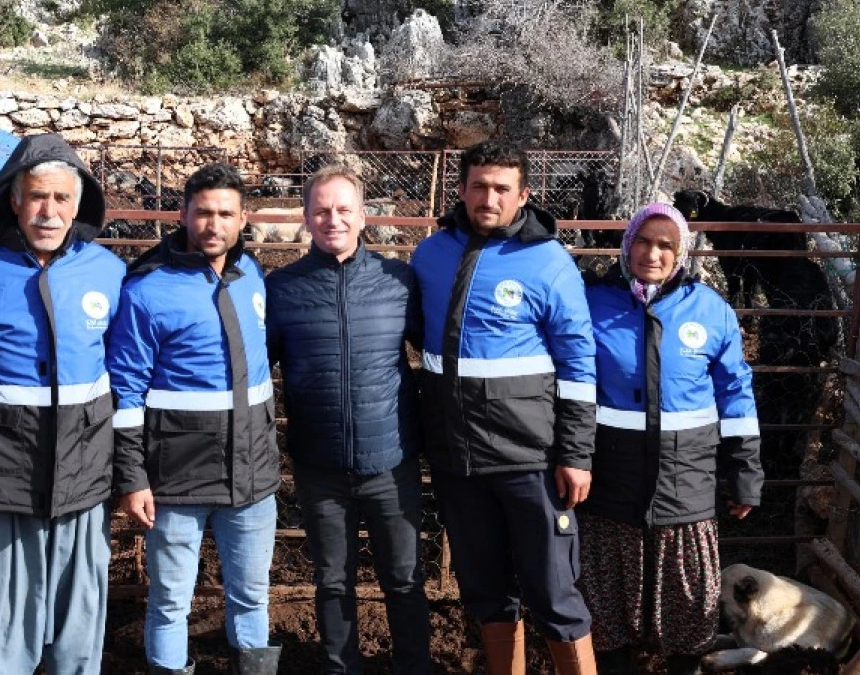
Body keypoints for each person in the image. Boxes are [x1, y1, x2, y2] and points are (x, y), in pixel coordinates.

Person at [0, 133, 125, 674]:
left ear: (78, 206)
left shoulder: (107, 273)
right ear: (14, 201)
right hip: (1, 478)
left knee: (78, 627)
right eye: (37, 196)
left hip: (83, 479)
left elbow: (126, 375)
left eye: (62, 198)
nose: (49, 211)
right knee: (0, 630)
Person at [410, 141, 598, 675]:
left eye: (501, 189)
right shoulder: (430, 254)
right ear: (461, 189)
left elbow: (579, 364)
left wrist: (576, 454)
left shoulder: (549, 261)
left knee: (555, 594)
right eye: (479, 186)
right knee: (486, 592)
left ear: (523, 195)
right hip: (457, 461)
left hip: (530, 461)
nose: (488, 198)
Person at [109, 163, 281, 675]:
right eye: (203, 212)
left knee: (252, 596)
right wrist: (133, 477)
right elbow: (126, 390)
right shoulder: (146, 290)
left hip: (251, 475)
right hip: (176, 478)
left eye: (225, 214)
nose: (213, 224)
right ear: (183, 214)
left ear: (243, 219)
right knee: (169, 601)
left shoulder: (251, 275)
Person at [580, 202, 763, 675]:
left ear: (681, 253)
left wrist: (745, 474)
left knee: (689, 606)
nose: (653, 253)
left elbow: (736, 395)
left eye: (666, 245)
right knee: (608, 609)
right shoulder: (591, 303)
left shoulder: (710, 310)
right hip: (609, 487)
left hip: (686, 490)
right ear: (627, 245)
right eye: (643, 241)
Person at [266, 166, 431, 674]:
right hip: (319, 465)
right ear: (305, 218)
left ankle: (414, 668)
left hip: (392, 462)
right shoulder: (282, 289)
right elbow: (257, 369)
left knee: (404, 579)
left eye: (343, 209)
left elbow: (436, 351)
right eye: (321, 210)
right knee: (332, 581)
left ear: (363, 216)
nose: (332, 219)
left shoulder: (398, 281)